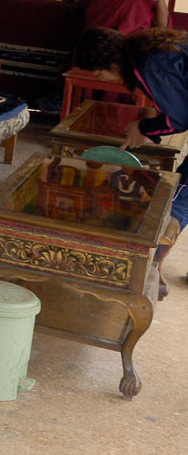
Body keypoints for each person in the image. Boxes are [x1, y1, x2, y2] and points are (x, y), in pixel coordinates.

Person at [73, 25, 188, 284]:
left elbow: (178, 119)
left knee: (179, 198)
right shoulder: (154, 51)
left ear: (111, 63)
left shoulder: (151, 66)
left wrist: (143, 128)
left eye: (100, 72)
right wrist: (149, 131)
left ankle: (145, 272)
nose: (104, 79)